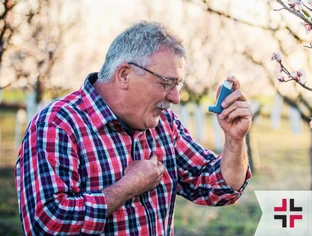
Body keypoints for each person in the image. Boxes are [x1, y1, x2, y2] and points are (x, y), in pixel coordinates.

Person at [15, 21, 252, 235]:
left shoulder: (164, 125)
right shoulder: (58, 124)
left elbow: (219, 188)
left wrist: (235, 140)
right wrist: (126, 187)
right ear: (125, 75)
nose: (175, 97)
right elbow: (46, 224)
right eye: (166, 83)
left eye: (178, 83)